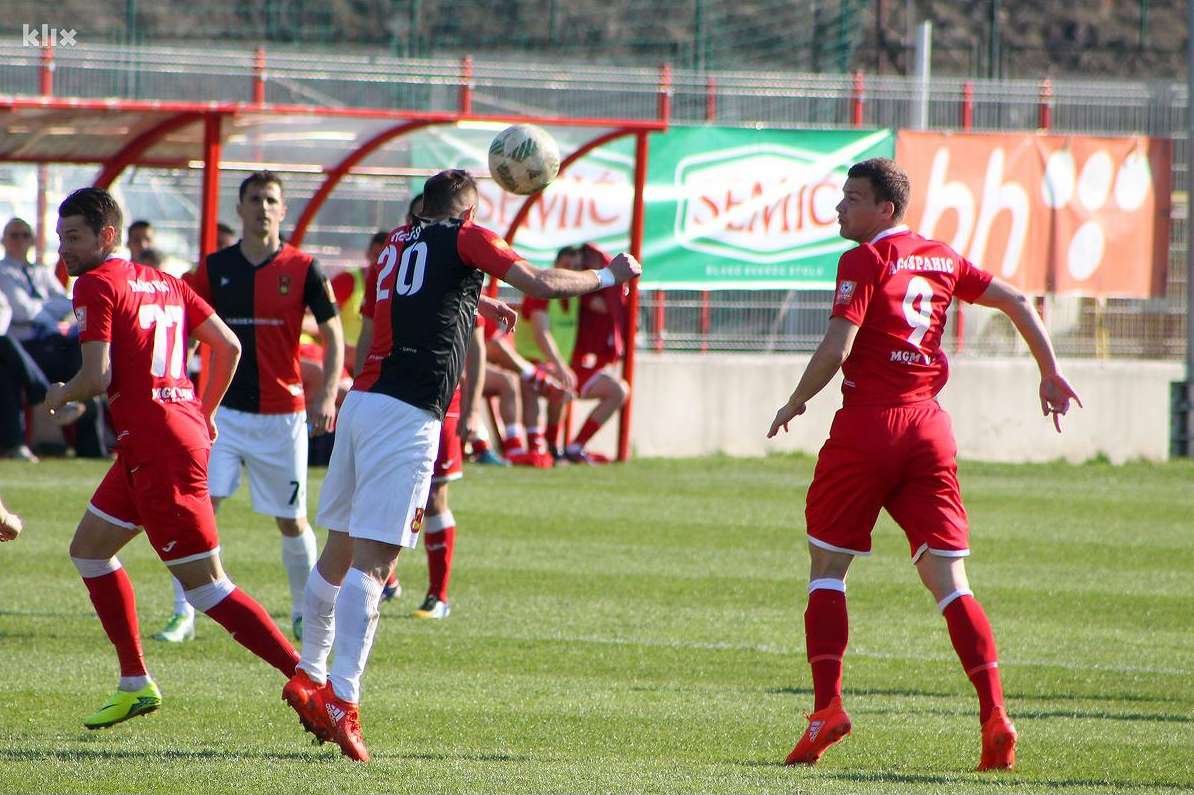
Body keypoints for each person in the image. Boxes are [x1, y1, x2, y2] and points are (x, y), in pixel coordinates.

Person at [283, 169, 641, 761]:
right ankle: (342, 699)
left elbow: (404, 305)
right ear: (468, 211)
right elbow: (540, 282)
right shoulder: (466, 236)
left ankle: (309, 673)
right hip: (408, 412)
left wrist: (479, 298)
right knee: (376, 562)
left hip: (363, 402)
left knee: (339, 548)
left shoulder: (395, 245)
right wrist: (610, 275)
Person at [766, 158, 1081, 771]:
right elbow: (1017, 300)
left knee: (827, 569)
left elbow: (838, 345)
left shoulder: (863, 259)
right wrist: (1050, 371)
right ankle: (994, 714)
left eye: (853, 198)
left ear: (885, 209)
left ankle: (827, 709)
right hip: (929, 430)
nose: (840, 207)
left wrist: (796, 400)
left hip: (868, 427)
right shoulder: (941, 257)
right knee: (951, 583)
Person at [46, 187, 301, 730]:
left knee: (208, 587)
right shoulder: (165, 281)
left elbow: (97, 377)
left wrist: (59, 394)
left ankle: (310, 681)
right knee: (89, 550)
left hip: (159, 447)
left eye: (73, 237)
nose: (63, 248)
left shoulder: (95, 283)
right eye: (60, 237)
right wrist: (202, 412)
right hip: (158, 438)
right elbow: (228, 346)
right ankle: (134, 682)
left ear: (106, 236)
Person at [155, 171, 345, 644]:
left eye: (271, 200)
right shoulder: (214, 267)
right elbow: (185, 329)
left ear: (283, 210)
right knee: (197, 511)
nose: (263, 207)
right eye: (255, 199)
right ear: (239, 209)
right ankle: (183, 615)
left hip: (283, 416)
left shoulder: (304, 267)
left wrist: (327, 394)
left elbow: (333, 333)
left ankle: (303, 612)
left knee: (292, 520)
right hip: (220, 415)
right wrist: (179, 391)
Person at [0, 217, 107, 458]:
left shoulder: (41, 272)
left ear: (32, 240)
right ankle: (45, 398)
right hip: (25, 345)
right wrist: (50, 311)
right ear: (3, 240)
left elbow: (68, 304)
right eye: (14, 235)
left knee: (87, 355)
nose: (19, 240)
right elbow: (21, 311)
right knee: (6, 358)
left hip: (53, 342)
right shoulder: (2, 271)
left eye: (25, 235)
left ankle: (92, 447)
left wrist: (47, 311)